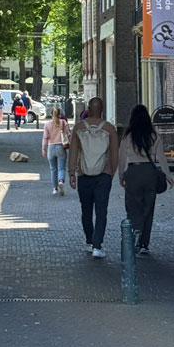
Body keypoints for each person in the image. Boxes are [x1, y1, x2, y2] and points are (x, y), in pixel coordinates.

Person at [119, 104, 174, 255]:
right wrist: (168, 175)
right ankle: (144, 243)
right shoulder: (153, 135)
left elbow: (121, 157)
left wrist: (121, 175)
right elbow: (161, 157)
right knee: (148, 208)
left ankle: (135, 230)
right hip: (149, 172)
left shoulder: (127, 136)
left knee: (132, 205)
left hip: (133, 172)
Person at [68, 96, 118, 259]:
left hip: (84, 175)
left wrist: (72, 172)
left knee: (86, 210)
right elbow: (114, 155)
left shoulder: (79, 128)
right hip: (103, 174)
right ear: (102, 110)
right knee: (101, 211)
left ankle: (89, 241)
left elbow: (73, 152)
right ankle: (97, 245)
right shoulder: (110, 129)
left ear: (89, 109)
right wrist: (111, 173)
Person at [42, 107, 70, 195]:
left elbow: (45, 137)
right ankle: (61, 181)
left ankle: (55, 188)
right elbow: (69, 134)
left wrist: (43, 148)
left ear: (51, 114)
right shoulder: (63, 122)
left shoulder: (47, 124)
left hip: (51, 147)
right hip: (61, 147)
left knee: (53, 169)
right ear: (60, 114)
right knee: (61, 167)